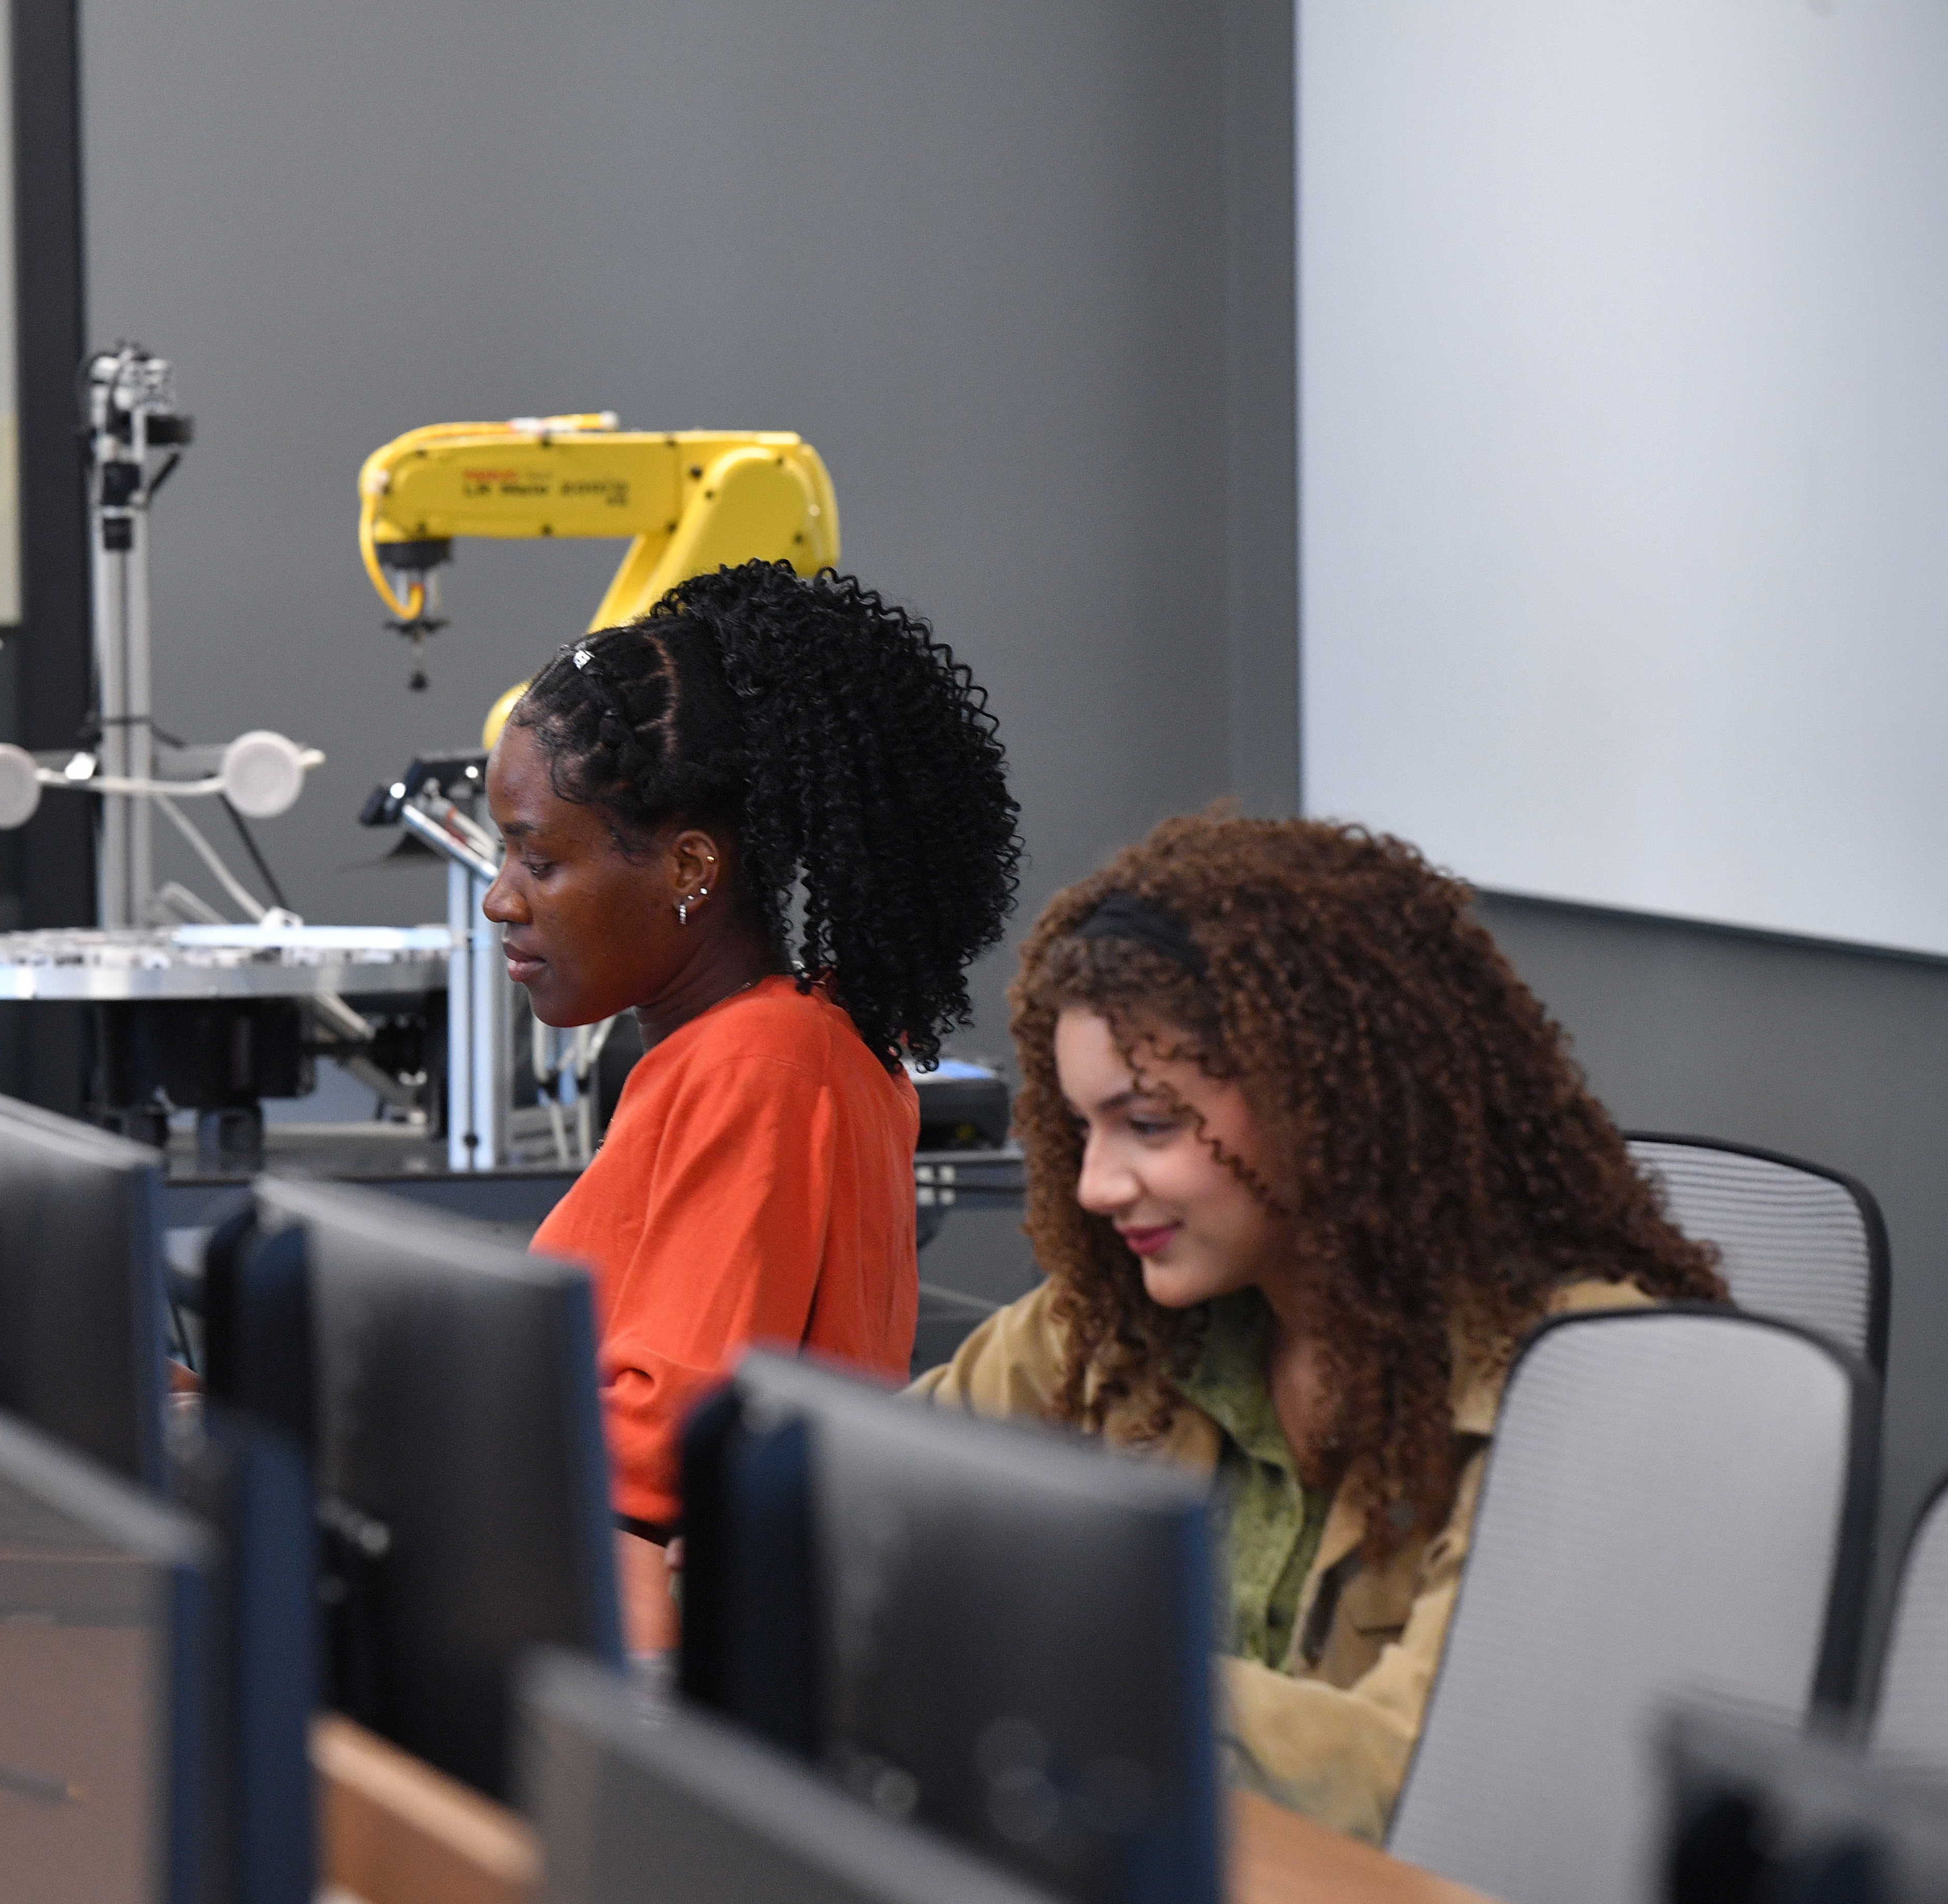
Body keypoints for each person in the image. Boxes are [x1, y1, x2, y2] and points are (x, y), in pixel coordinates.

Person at [910, 812, 1728, 1842]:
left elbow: (1422, 1773)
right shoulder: (1123, 1314)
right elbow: (865, 1488)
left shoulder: (1584, 1390)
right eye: (1084, 1127)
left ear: (1326, 1099)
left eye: (1150, 1123)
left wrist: (1044, 1658)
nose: (1095, 1184)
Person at [487, 560, 1022, 1646]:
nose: (501, 896)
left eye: (539, 858)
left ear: (689, 866)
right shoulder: (750, 1045)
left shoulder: (768, 1061)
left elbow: (659, 1438)